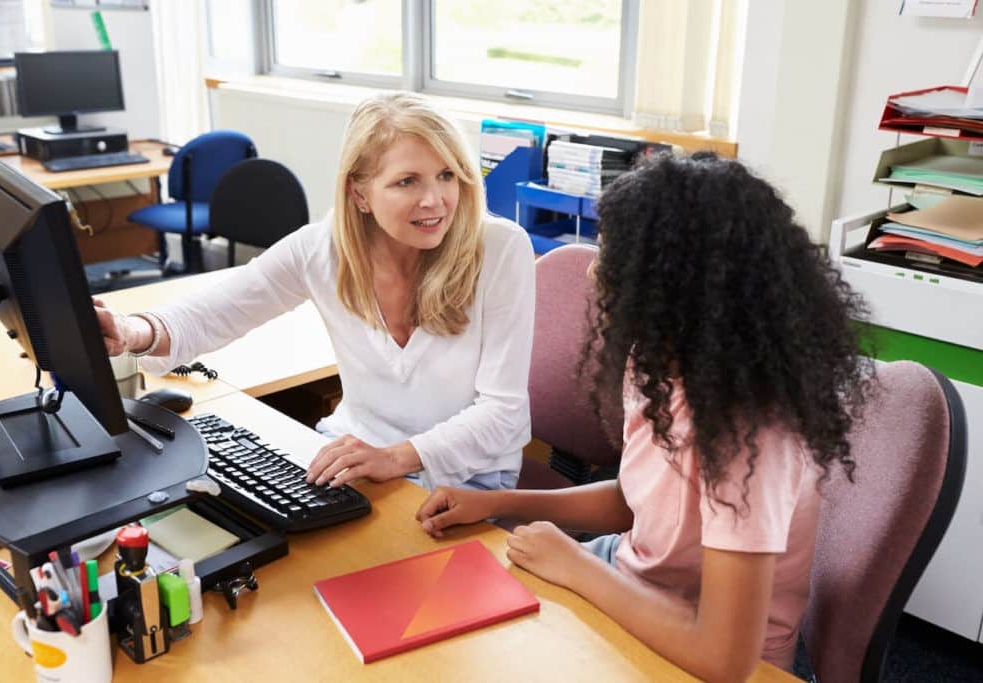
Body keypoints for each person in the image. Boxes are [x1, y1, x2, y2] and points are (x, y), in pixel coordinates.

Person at [415, 153, 874, 678]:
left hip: (713, 652)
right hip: (634, 581)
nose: (594, 268)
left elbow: (724, 659)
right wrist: (498, 502)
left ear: (676, 280)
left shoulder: (750, 431)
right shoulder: (658, 362)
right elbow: (640, 505)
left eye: (614, 254)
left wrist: (576, 566)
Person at [95, 92, 535, 491]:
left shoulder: (499, 249)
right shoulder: (323, 249)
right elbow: (214, 313)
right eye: (408, 181)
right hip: (355, 455)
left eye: (447, 176)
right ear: (359, 193)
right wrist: (132, 331)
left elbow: (504, 414)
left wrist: (397, 458)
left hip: (467, 478)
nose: (435, 200)